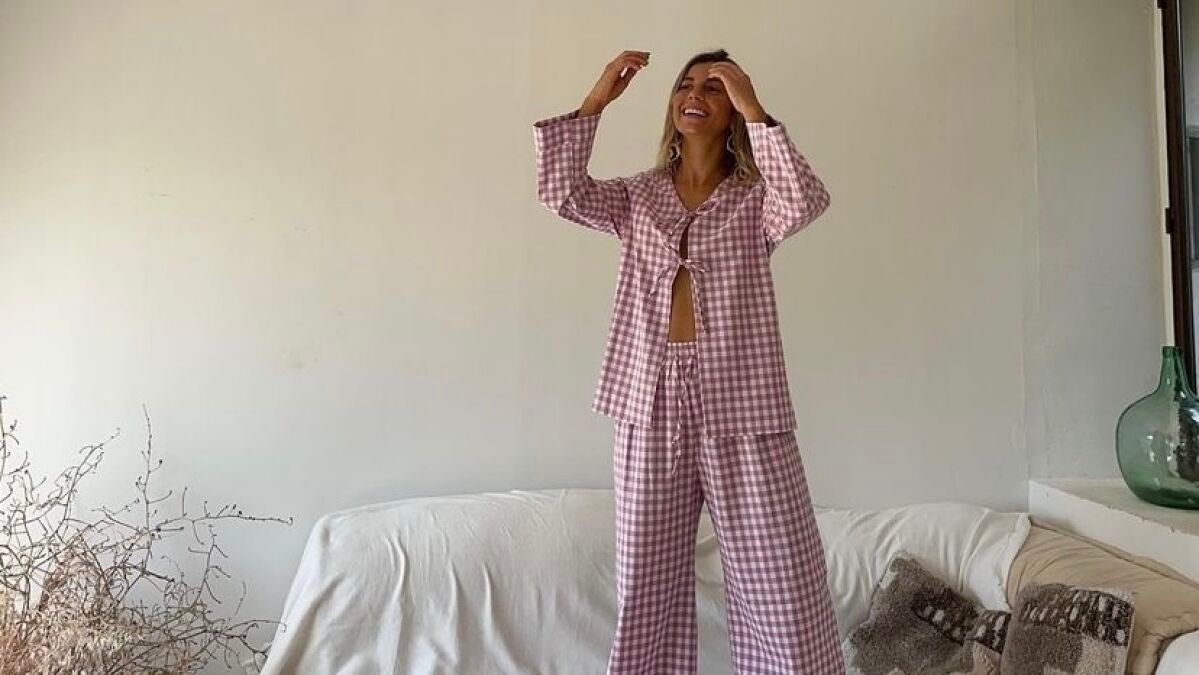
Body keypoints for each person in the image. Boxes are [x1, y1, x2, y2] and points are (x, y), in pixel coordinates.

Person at [533, 48, 844, 675]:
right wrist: (597, 100)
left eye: (715, 86)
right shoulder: (636, 197)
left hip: (744, 402)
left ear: (733, 109)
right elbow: (560, 192)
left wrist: (754, 105)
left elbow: (807, 200)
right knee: (646, 582)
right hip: (647, 400)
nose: (695, 94)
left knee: (779, 577)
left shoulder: (756, 202)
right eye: (686, 84)